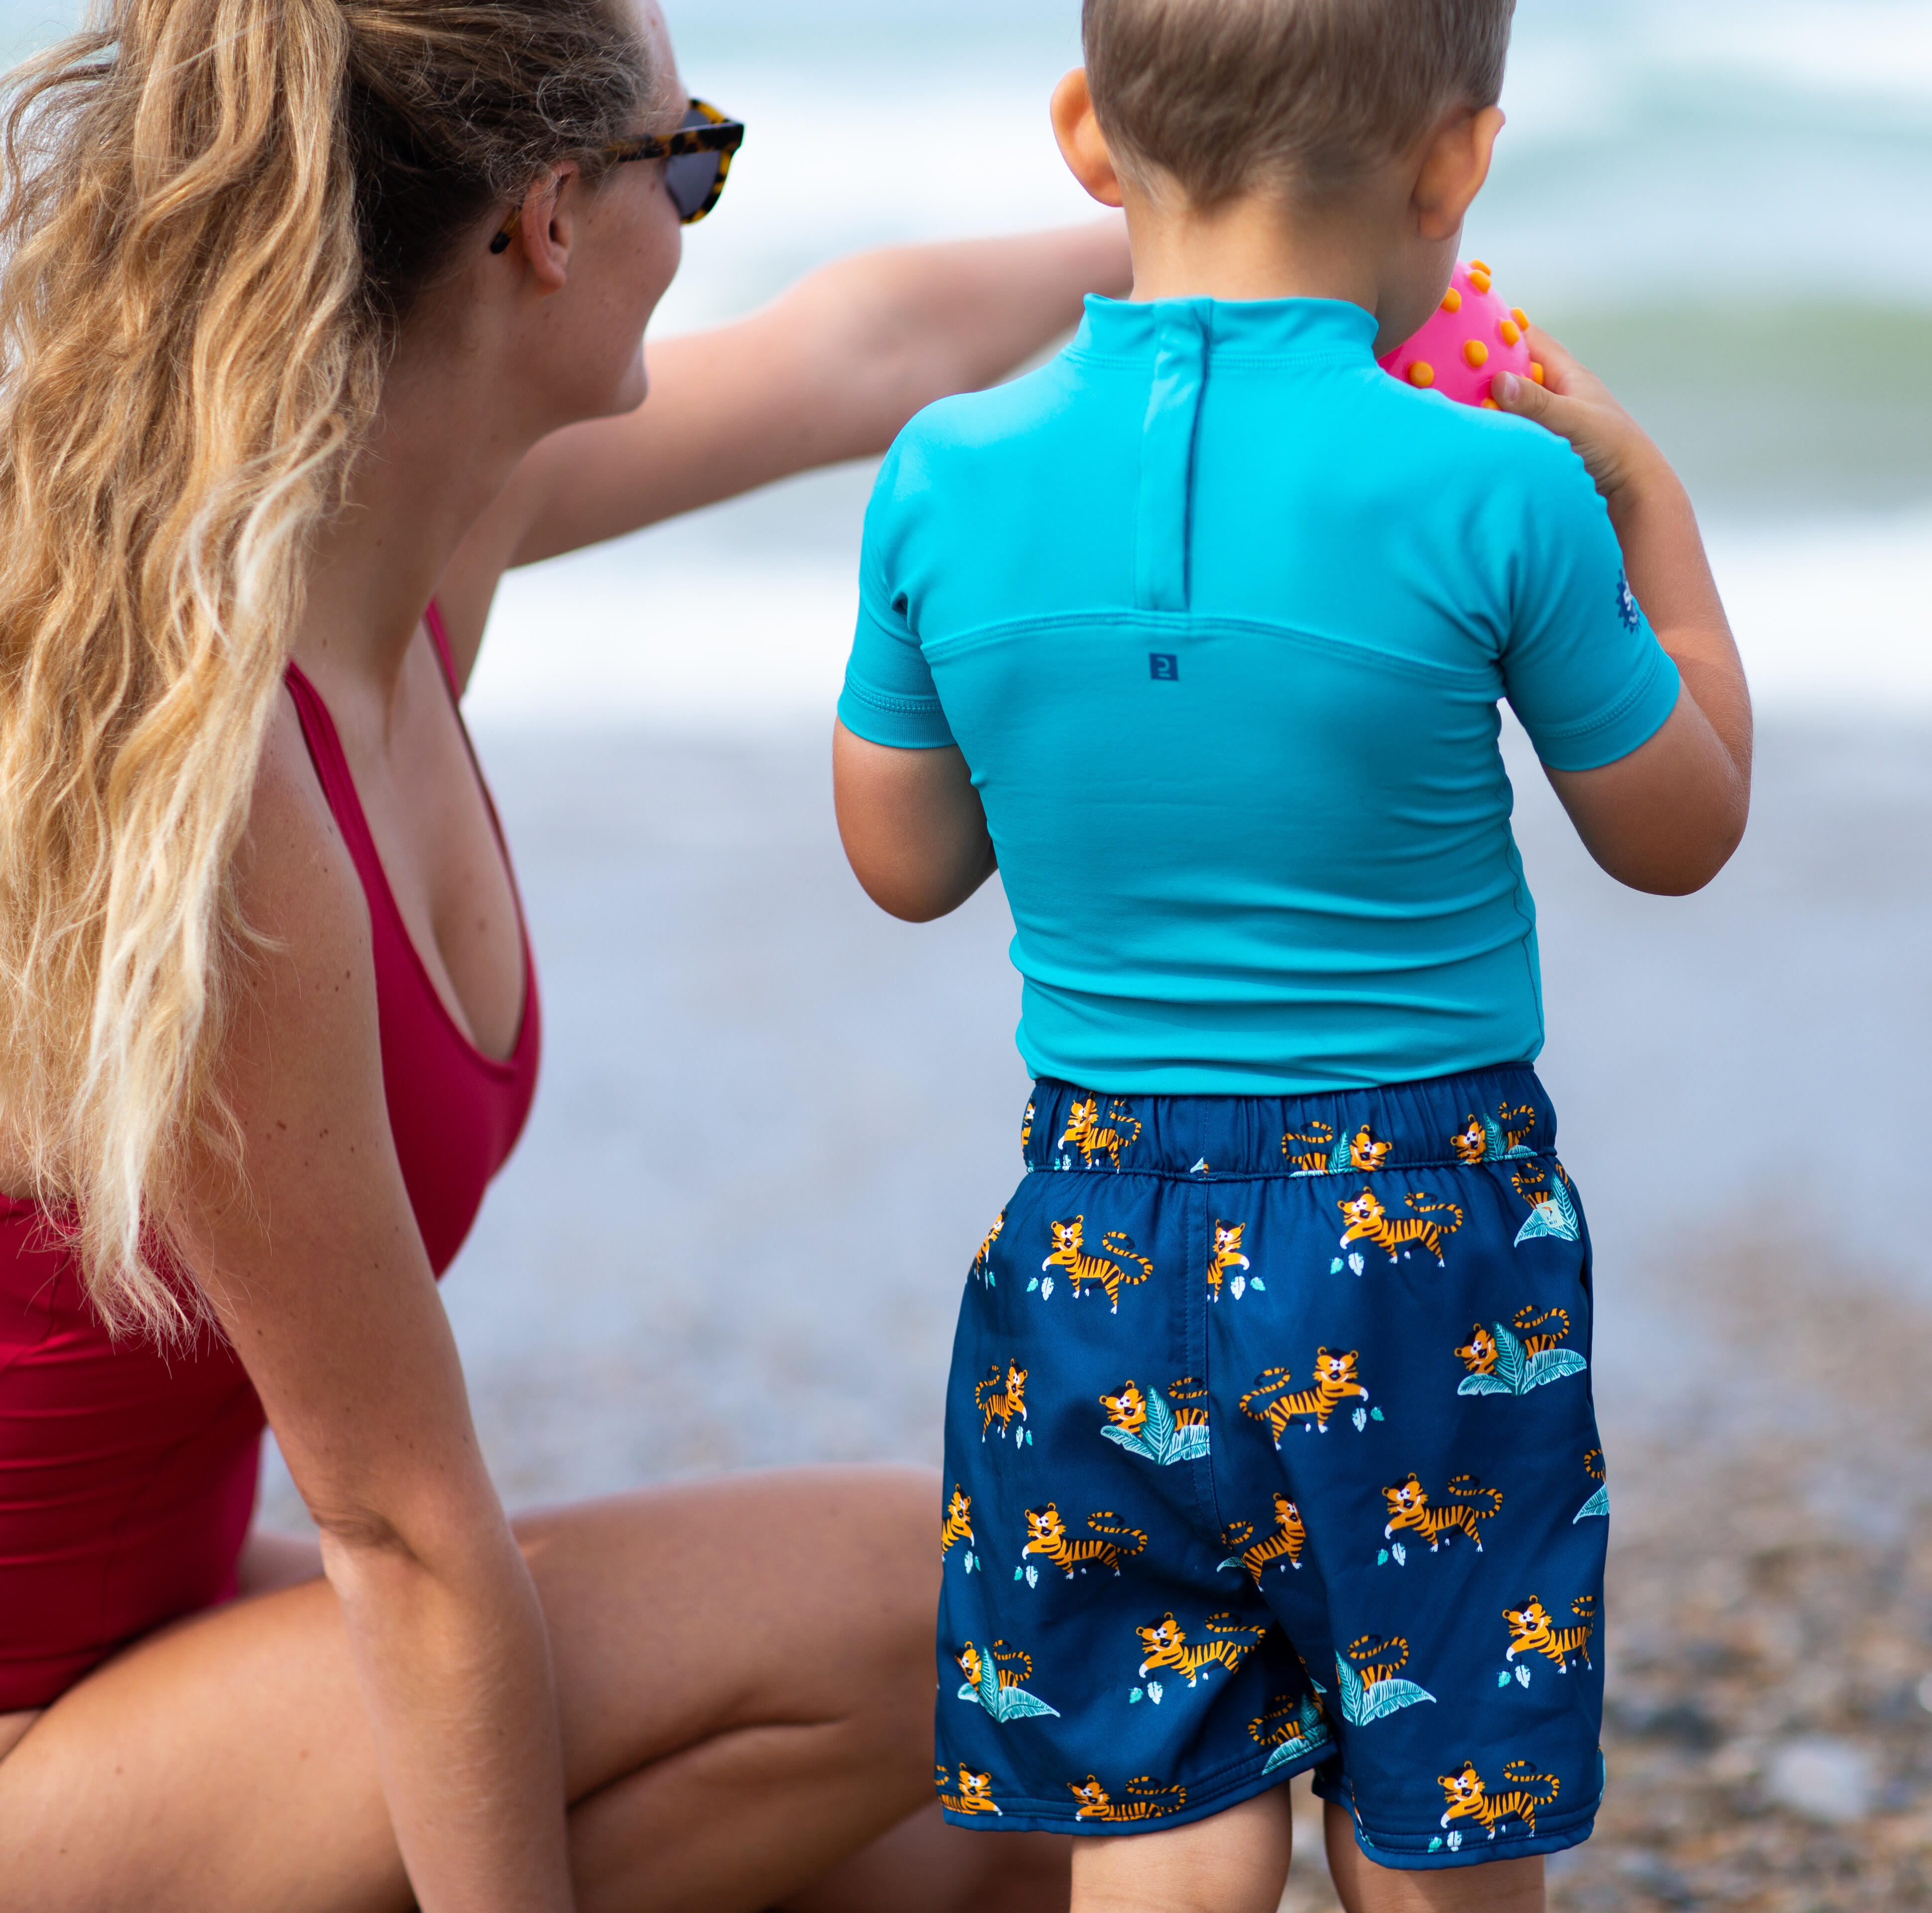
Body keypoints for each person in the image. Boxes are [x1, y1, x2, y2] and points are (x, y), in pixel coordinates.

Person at [0, 0, 1129, 1906]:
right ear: (544, 221)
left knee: (1015, 1810)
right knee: (989, 1588)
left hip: (143, 1667)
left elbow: (869, 350)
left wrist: (1266, 233)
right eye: (688, 163)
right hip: (38, 1759)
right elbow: (405, 1535)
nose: (697, 216)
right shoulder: (201, 766)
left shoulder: (409, 528)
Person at [829, 1, 1753, 1907]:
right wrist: (1644, 505)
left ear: (1090, 132)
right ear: (1452, 163)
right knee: (1437, 1811)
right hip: (1425, 1257)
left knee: (1158, 1808)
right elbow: (1686, 829)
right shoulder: (1493, 489)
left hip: (1090, 1231)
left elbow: (904, 861)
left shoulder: (943, 472)